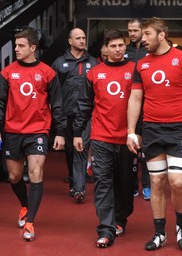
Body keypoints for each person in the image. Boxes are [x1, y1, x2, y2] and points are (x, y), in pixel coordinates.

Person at [126, 17, 182, 251]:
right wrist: (131, 132)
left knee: (177, 182)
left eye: (148, 34)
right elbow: (135, 98)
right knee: (157, 182)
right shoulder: (141, 64)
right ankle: (159, 233)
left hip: (178, 128)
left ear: (161, 35)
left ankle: (181, 226)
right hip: (151, 129)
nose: (143, 38)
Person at [0, 27, 66, 242]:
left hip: (38, 131)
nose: (17, 49)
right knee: (14, 176)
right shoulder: (7, 73)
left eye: (21, 46)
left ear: (33, 48)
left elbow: (57, 104)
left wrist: (60, 132)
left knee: (35, 173)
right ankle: (24, 205)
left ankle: (30, 222)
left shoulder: (48, 73)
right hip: (13, 131)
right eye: (16, 45)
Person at [73, 29, 136, 248]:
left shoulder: (134, 70)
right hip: (100, 137)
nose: (118, 49)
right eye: (114, 46)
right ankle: (106, 229)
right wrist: (78, 133)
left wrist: (139, 133)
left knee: (125, 183)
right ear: (105, 49)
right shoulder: (94, 73)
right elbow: (84, 105)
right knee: (103, 182)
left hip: (127, 138)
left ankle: (120, 218)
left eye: (121, 45)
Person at [51, 28, 98, 203]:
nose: (82, 41)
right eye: (78, 38)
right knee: (70, 150)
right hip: (65, 114)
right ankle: (73, 180)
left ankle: (79, 189)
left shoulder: (93, 62)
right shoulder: (59, 63)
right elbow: (52, 90)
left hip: (85, 115)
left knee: (81, 149)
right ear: (70, 41)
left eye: (84, 38)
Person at [125, 17, 151, 200]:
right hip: (128, 104)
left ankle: (148, 186)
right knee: (131, 148)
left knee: (147, 149)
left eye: (135, 30)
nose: (132, 34)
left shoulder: (150, 51)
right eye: (130, 31)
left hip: (148, 104)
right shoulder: (123, 50)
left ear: (143, 30)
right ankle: (132, 185)